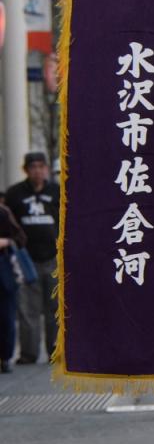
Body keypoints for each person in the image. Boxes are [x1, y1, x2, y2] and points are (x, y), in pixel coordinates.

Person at [5, 152, 60, 364]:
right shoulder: (15, 194)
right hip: (26, 258)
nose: (37, 170)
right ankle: (29, 352)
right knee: (28, 308)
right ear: (26, 170)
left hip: (54, 257)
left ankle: (56, 349)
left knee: (54, 307)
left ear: (46, 168)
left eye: (40, 166)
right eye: (33, 167)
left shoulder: (56, 191)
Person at [0, 200, 27, 373]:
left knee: (6, 316)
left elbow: (20, 238)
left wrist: (6, 242)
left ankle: (5, 357)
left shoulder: (2, 212)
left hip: (3, 270)